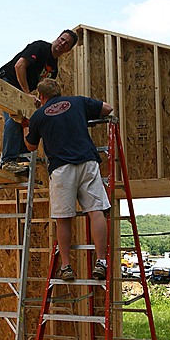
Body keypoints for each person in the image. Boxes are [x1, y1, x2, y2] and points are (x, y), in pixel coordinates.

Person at [22, 78, 113, 281]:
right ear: (60, 93)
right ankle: (101, 261)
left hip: (62, 169)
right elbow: (107, 108)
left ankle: (66, 266)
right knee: (96, 211)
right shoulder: (77, 102)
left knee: (63, 218)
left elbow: (31, 146)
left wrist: (25, 127)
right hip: (87, 162)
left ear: (41, 96)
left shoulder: (38, 115)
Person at [0, 29, 78, 174]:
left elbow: (43, 88)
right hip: (6, 82)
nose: (62, 43)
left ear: (68, 50)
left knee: (28, 119)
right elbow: (19, 66)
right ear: (57, 37)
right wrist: (27, 94)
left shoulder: (53, 69)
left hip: (21, 91)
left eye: (66, 43)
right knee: (16, 118)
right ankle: (8, 161)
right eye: (62, 39)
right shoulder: (40, 47)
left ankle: (21, 160)